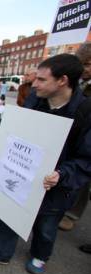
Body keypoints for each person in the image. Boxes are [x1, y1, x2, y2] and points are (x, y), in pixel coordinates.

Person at [0, 54, 91, 274]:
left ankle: (39, 255)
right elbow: (16, 132)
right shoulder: (34, 100)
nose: (33, 84)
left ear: (62, 81)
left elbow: (86, 159)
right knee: (6, 210)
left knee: (46, 225)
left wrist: (62, 174)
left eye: (41, 79)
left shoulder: (85, 112)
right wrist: (0, 144)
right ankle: (0, 251)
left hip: (56, 185)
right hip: (20, 174)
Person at [58, 42, 91, 233]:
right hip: (73, 128)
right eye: (83, 64)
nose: (85, 69)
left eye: (88, 65)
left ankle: (71, 214)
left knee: (83, 176)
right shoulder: (75, 82)